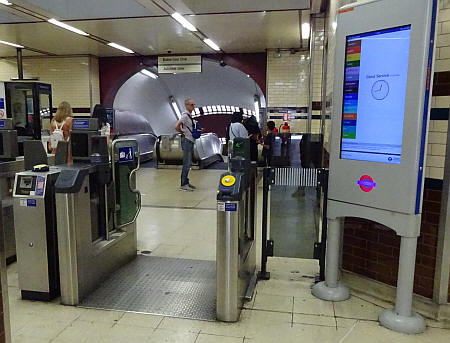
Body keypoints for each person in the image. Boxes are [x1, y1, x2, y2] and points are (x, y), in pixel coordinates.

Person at [175, 98, 197, 191]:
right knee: (186, 163)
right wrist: (182, 132)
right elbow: (176, 126)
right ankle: (183, 184)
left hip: (190, 140)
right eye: (191, 105)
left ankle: (186, 182)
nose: (193, 107)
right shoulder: (185, 116)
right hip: (187, 141)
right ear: (187, 105)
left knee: (188, 163)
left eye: (194, 105)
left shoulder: (189, 116)